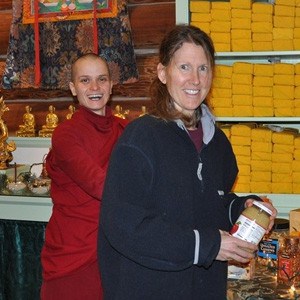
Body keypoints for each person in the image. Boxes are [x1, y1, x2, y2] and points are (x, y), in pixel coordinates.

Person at [98, 25, 277, 299]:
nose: (195, 79)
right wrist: (208, 245)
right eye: (184, 67)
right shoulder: (140, 139)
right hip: (148, 289)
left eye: (203, 68)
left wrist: (242, 208)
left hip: (205, 288)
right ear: (162, 73)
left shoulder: (218, 142)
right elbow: (125, 227)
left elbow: (210, 203)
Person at [40, 53, 128, 300]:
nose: (95, 88)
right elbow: (99, 185)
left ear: (111, 85)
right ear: (72, 88)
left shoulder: (126, 129)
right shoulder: (65, 135)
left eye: (101, 79)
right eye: (85, 81)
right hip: (75, 250)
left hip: (116, 245)